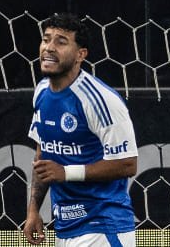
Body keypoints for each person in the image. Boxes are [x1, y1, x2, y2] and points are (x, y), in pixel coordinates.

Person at [23, 13, 138, 246]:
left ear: (80, 55)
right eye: (46, 39)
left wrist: (66, 172)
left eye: (61, 42)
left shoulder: (100, 100)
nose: (49, 48)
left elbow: (128, 164)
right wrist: (33, 210)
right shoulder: (42, 92)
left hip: (103, 227)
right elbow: (42, 156)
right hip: (64, 228)